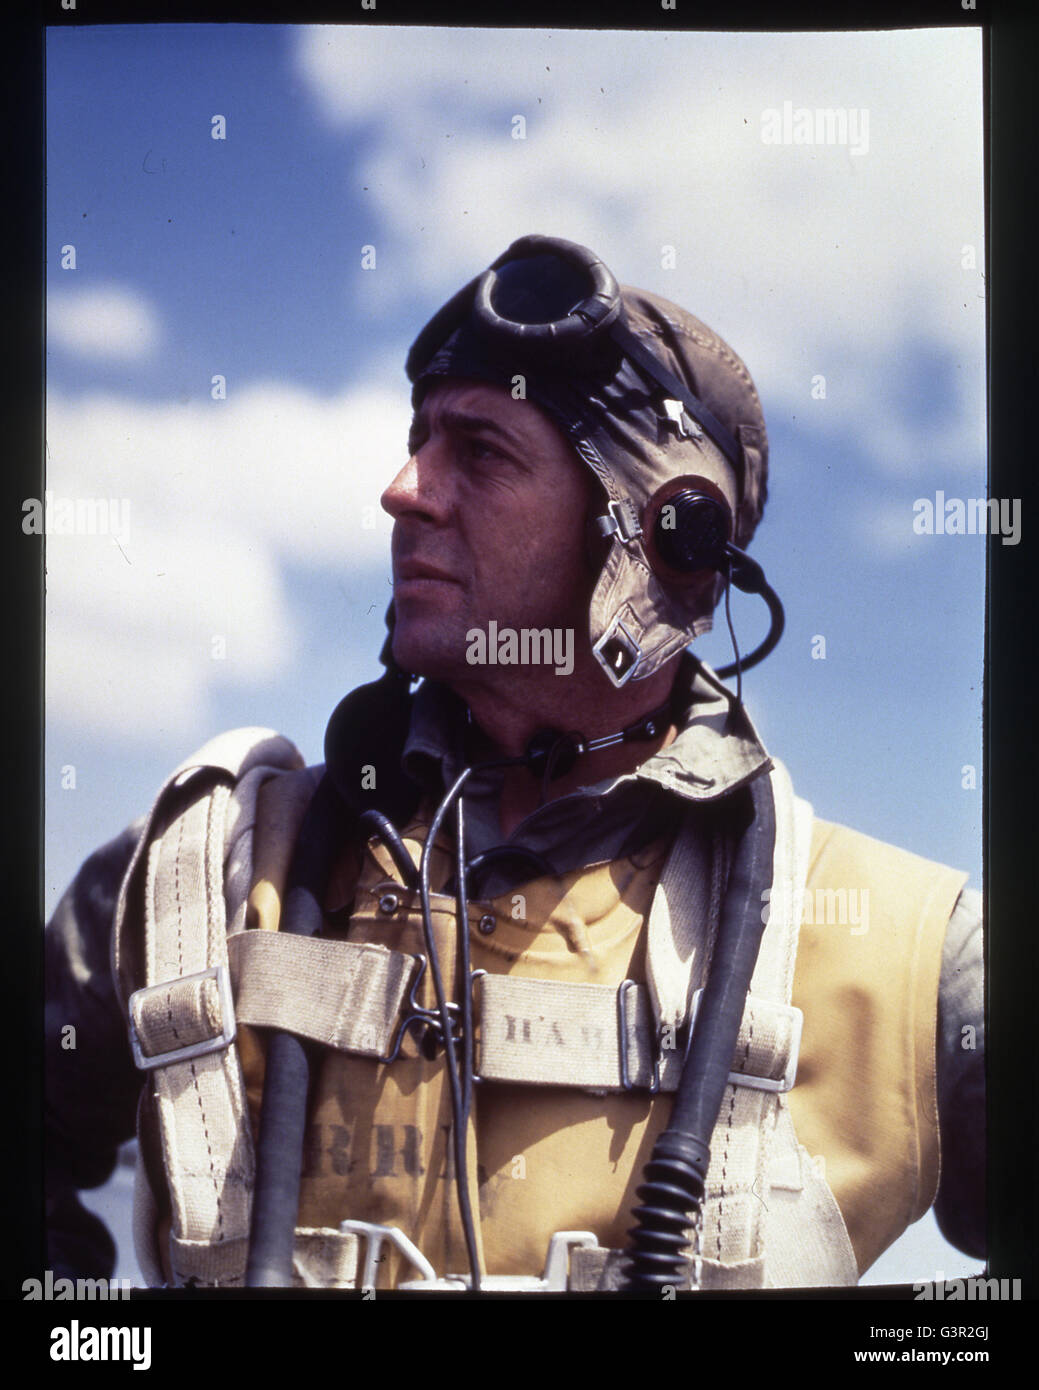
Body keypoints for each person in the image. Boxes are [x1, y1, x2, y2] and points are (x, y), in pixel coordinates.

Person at [44, 235, 984, 1293]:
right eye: (418, 441)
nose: (404, 491)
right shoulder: (191, 880)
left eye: (480, 453)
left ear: (662, 543)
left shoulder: (910, 956)